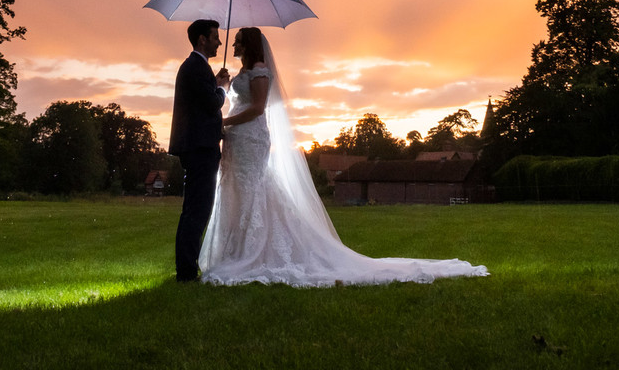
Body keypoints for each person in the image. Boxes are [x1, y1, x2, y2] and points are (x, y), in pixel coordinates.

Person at [199, 27, 489, 287]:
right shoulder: (241, 73)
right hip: (238, 140)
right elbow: (238, 101)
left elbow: (259, 108)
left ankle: (255, 251)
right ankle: (235, 250)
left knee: (253, 188)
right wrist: (222, 85)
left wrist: (224, 123)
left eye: (237, 42)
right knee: (237, 190)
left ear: (248, 45)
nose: (232, 45)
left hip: (251, 138)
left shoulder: (260, 70)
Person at [169, 18, 231, 282]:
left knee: (196, 208)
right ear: (202, 39)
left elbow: (200, 107)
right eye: (215, 36)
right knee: (197, 209)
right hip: (199, 148)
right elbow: (210, 103)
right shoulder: (195, 67)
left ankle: (186, 268)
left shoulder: (198, 68)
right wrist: (222, 88)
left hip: (198, 146)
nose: (219, 41)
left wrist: (214, 82)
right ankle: (186, 271)